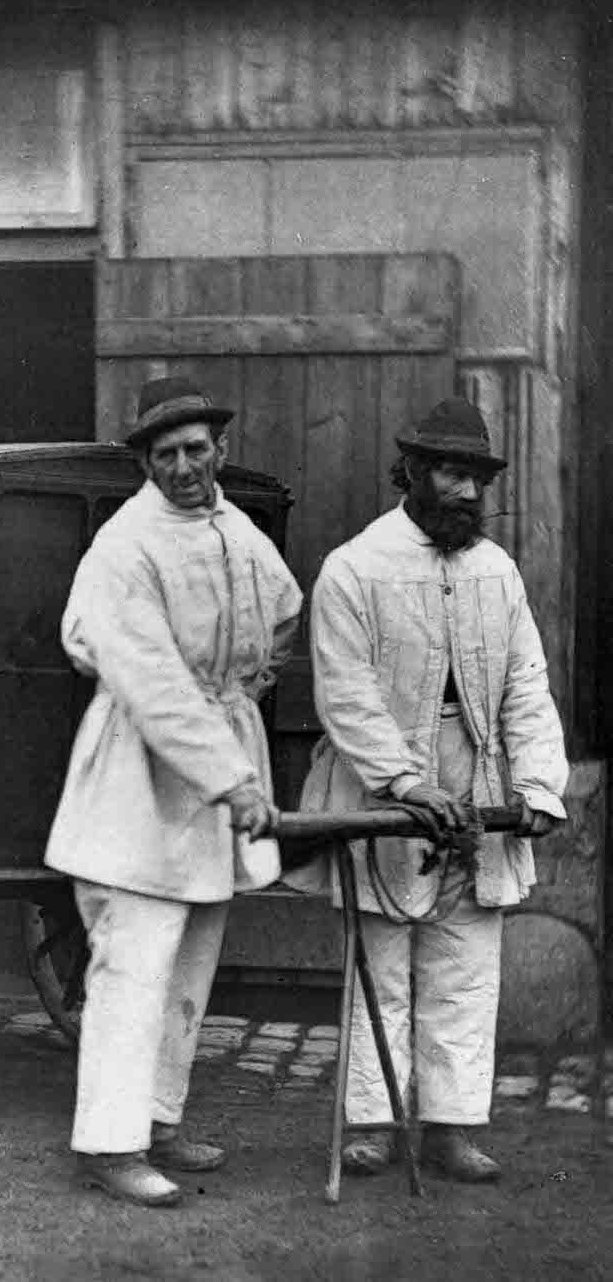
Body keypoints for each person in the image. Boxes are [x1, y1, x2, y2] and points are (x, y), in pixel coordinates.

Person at [293, 397, 568, 1183]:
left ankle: (450, 1125)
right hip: (381, 776)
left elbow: (525, 683)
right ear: (411, 472)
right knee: (381, 962)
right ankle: (373, 1123)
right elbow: (345, 694)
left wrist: (539, 784)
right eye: (453, 473)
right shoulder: (355, 567)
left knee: (465, 960)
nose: (469, 493)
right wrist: (404, 782)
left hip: (477, 777)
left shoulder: (496, 571)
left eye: (478, 478)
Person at [44, 375, 303, 1207]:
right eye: (165, 456)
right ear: (145, 465)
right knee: (134, 961)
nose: (185, 467)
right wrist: (233, 777)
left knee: (192, 958)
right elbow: (153, 685)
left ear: (220, 449)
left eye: (197, 450)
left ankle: (160, 1120)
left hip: (214, 775)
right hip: (135, 778)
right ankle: (110, 1145)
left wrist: (249, 689)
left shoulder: (239, 531)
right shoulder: (125, 547)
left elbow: (287, 612)